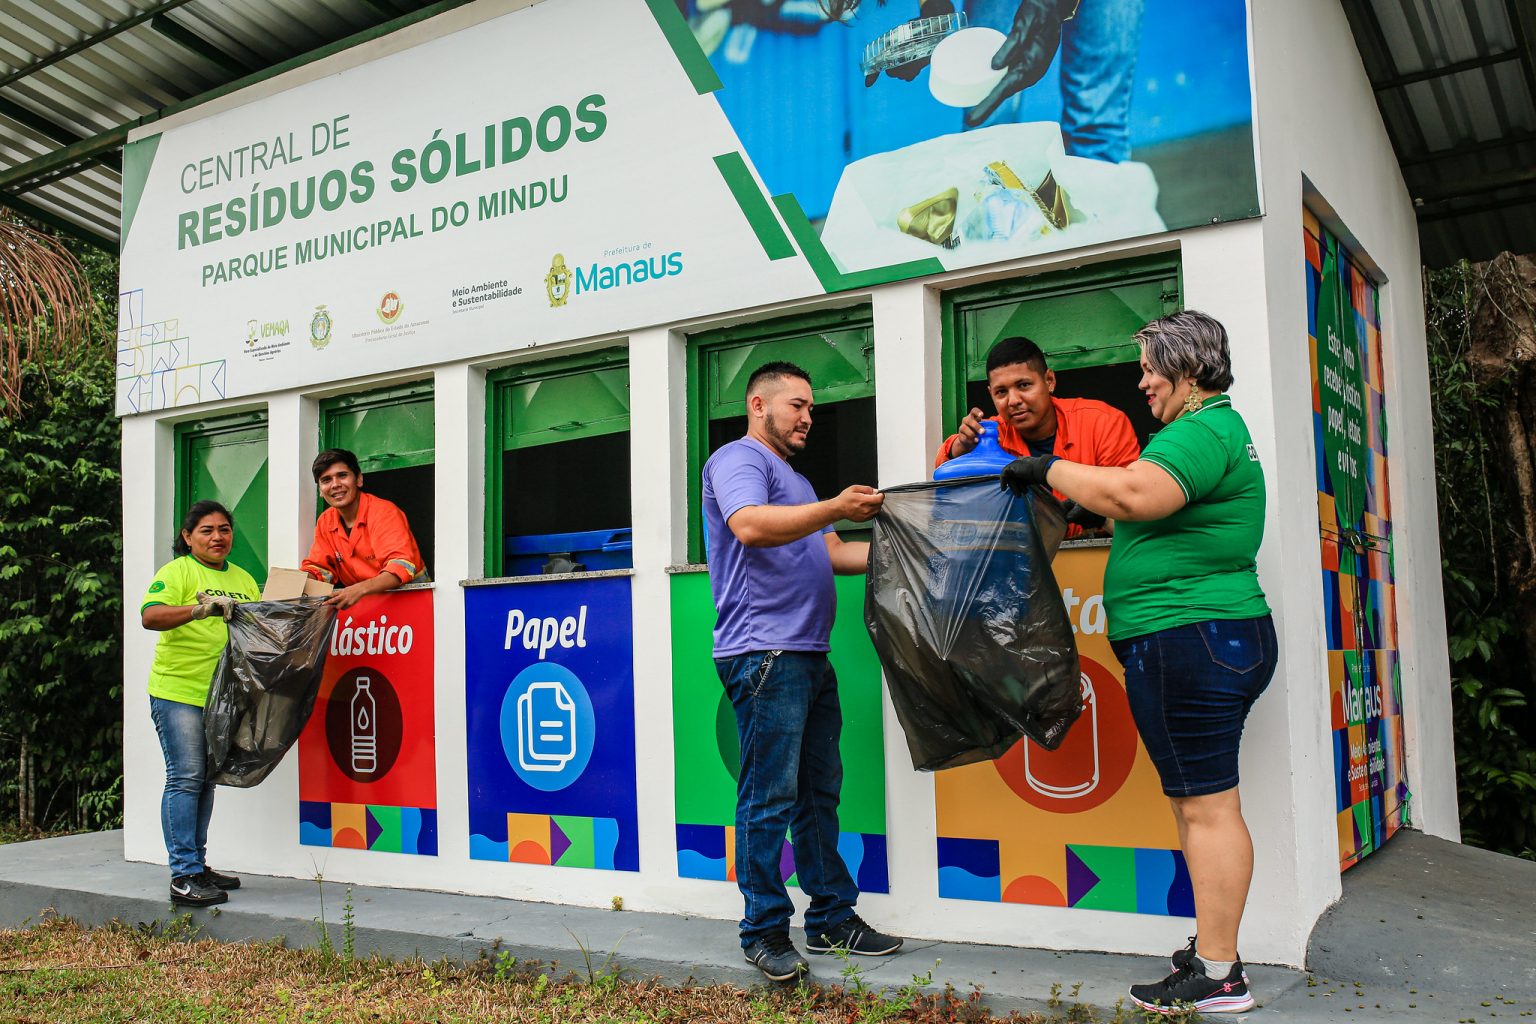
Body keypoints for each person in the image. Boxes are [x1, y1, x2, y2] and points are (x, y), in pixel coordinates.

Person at [998, 310, 1273, 1014]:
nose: (1143, 382)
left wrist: (1047, 466)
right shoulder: (1206, 431)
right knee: (1196, 802)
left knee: (1208, 808)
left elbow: (1131, 495)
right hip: (1194, 637)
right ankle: (1215, 951)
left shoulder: (1203, 430)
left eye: (1152, 368)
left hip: (1193, 637)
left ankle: (1219, 974)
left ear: (1187, 371)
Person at [702, 360, 903, 981]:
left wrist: (924, 550)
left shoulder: (792, 478)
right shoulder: (740, 460)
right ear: (758, 406)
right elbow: (750, 526)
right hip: (765, 651)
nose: (808, 417)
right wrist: (836, 505)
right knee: (769, 797)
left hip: (807, 655)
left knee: (818, 794)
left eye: (810, 407)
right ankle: (762, 930)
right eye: (797, 405)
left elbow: (838, 553)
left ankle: (830, 917)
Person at [140, 500, 261, 908]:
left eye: (224, 529)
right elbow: (150, 616)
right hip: (178, 692)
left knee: (205, 779)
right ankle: (183, 876)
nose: (217, 537)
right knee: (186, 777)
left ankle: (198, 866)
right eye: (206, 530)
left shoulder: (244, 579)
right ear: (188, 537)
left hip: (221, 698)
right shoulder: (177, 572)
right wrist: (199, 609)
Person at [935, 334, 1140, 532]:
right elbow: (942, 478)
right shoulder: (990, 434)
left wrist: (1098, 514)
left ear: (1049, 381)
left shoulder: (1103, 422)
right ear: (991, 394)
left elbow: (1131, 500)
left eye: (1024, 385)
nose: (1013, 400)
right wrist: (961, 446)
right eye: (1001, 392)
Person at [302, 448, 427, 610]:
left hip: (413, 603)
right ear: (320, 490)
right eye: (326, 480)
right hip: (367, 609)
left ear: (359, 479)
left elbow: (401, 566)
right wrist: (298, 581)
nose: (335, 485)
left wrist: (358, 590)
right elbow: (321, 568)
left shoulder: (384, 512)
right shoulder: (325, 521)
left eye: (342, 475)